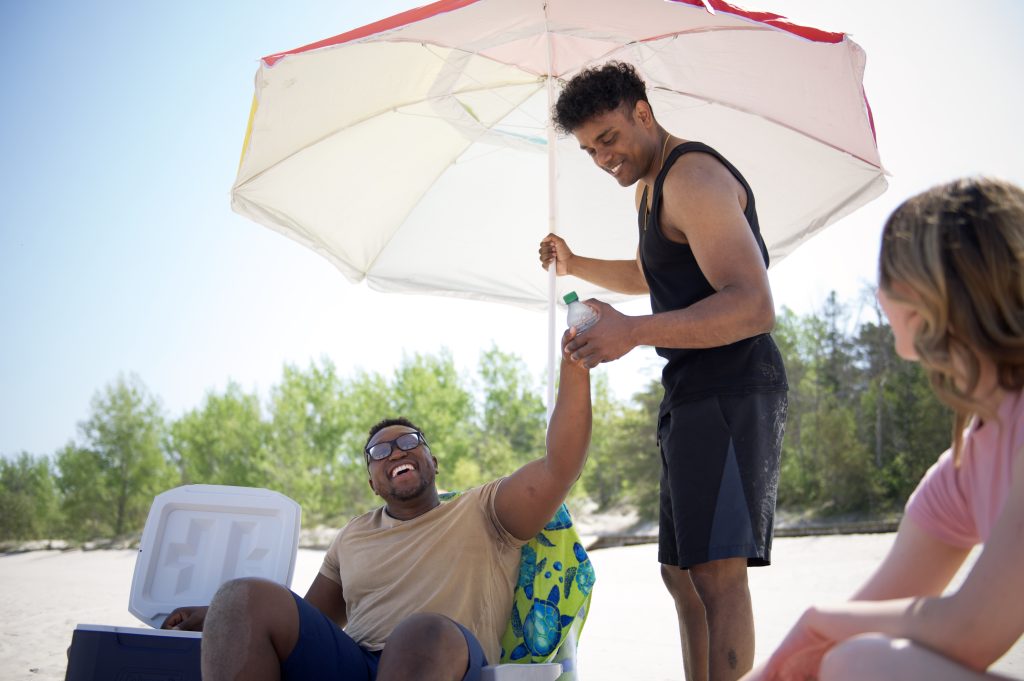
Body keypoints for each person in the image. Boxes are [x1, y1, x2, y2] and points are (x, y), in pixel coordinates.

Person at [539, 61, 787, 681]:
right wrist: (575, 266)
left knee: (717, 574)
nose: (602, 159)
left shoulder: (693, 176)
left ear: (642, 113)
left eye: (610, 139)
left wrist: (633, 331)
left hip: (732, 385)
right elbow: (663, 273)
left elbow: (754, 306)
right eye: (591, 149)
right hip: (692, 389)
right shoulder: (652, 186)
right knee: (680, 574)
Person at [160, 330, 592, 681]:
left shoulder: (484, 509)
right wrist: (218, 612)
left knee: (421, 630)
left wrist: (575, 367)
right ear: (373, 483)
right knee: (241, 596)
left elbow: (560, 466)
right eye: (379, 452)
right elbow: (310, 621)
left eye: (408, 442)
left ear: (433, 462)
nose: (395, 453)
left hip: (445, 661)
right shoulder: (352, 534)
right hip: (354, 664)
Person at [741, 177, 1024, 681]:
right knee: (847, 656)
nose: (878, 294)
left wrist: (820, 621)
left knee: (859, 660)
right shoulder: (966, 464)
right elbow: (883, 604)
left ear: (917, 300)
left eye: (886, 276)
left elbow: (975, 628)